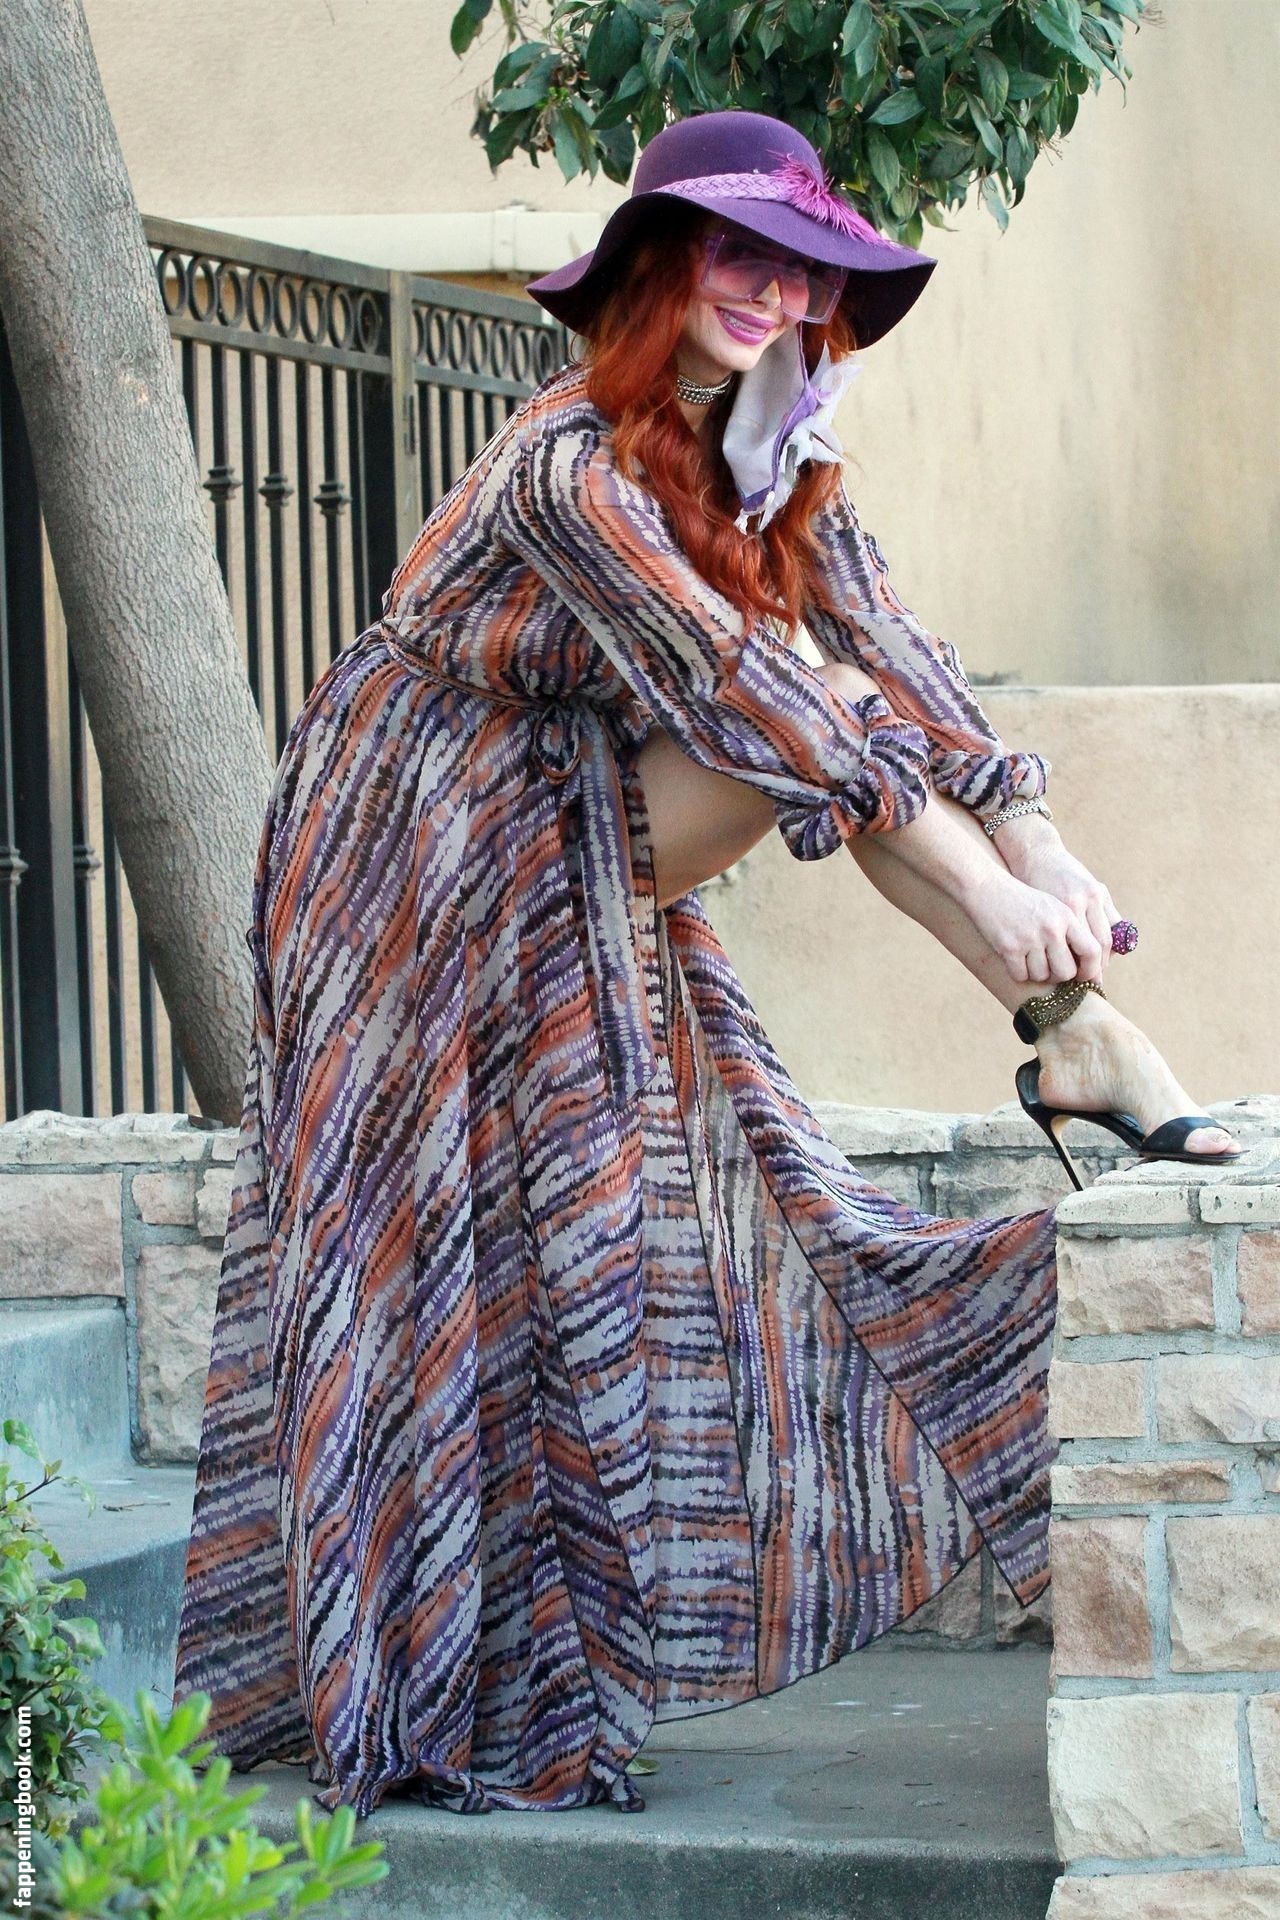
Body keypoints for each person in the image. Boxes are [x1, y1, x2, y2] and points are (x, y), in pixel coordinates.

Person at [172, 108, 1240, 1823]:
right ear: (663, 263)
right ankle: (1072, 1034)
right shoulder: (562, 468)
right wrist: (992, 889)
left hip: (561, 812)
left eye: (806, 272)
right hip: (407, 847)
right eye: (745, 254)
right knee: (802, 733)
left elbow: (892, 657)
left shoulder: (772, 463)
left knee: (596, 1232)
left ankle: (1076, 1034)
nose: (778, 294)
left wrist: (1037, 840)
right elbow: (752, 701)